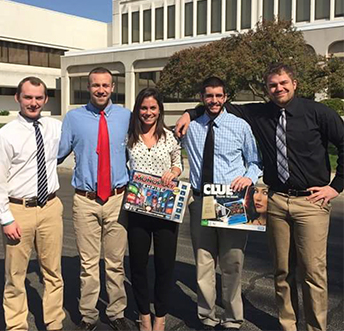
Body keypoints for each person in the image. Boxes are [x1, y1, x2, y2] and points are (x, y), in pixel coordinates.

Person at [176, 63, 344, 331]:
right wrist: (188, 112)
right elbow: (213, 109)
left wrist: (335, 186)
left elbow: (254, 160)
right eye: (273, 85)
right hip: (273, 200)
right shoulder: (259, 113)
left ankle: (315, 328)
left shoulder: (318, 113)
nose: (278, 88)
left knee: (312, 272)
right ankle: (286, 325)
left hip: (304, 202)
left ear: (294, 83)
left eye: (283, 83)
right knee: (280, 271)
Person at [182, 77, 262, 330]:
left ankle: (232, 317)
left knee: (232, 261)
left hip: (231, 200)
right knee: (204, 261)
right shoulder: (191, 127)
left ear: (226, 97)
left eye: (218, 95)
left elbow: (255, 161)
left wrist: (247, 177)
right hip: (200, 198)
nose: (214, 100)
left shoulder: (240, 126)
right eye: (209, 96)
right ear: (202, 97)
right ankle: (206, 315)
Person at [58, 67, 130, 331]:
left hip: (117, 199)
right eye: (95, 85)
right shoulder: (74, 118)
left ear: (113, 87)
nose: (101, 89)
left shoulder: (126, 116)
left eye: (106, 85)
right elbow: (58, 153)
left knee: (115, 263)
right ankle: (89, 315)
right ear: (88, 88)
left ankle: (116, 311)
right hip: (85, 200)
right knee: (88, 264)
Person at [0, 77, 64, 331]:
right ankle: (16, 326)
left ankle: (54, 323)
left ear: (45, 100)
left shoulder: (54, 128)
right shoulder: (5, 136)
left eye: (38, 98)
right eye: (28, 97)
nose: (33, 103)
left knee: (53, 273)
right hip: (18, 211)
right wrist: (6, 218)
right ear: (18, 99)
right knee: (15, 276)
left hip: (50, 208)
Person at [126, 87, 182, 331]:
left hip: (165, 211)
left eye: (153, 108)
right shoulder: (128, 136)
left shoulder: (169, 137)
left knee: (164, 265)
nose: (148, 113)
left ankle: (160, 315)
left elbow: (178, 163)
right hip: (137, 210)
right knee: (138, 266)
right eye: (144, 108)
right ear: (138, 110)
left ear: (160, 110)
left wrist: (175, 172)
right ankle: (144, 314)